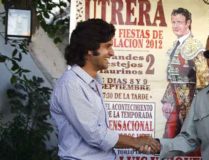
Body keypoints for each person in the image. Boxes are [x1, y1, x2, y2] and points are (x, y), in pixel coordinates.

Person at [50, 19, 160, 160]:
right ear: (90, 49)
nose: (112, 53)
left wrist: (137, 142)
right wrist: (136, 142)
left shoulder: (92, 82)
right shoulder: (70, 85)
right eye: (107, 47)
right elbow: (95, 135)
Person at [161, 7, 209, 139]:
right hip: (176, 101)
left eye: (179, 22)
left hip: (190, 103)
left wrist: (198, 107)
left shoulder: (194, 46)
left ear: (188, 23)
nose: (175, 26)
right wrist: (168, 100)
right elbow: (174, 76)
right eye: (173, 22)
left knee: (190, 139)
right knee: (171, 137)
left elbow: (205, 80)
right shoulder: (176, 45)